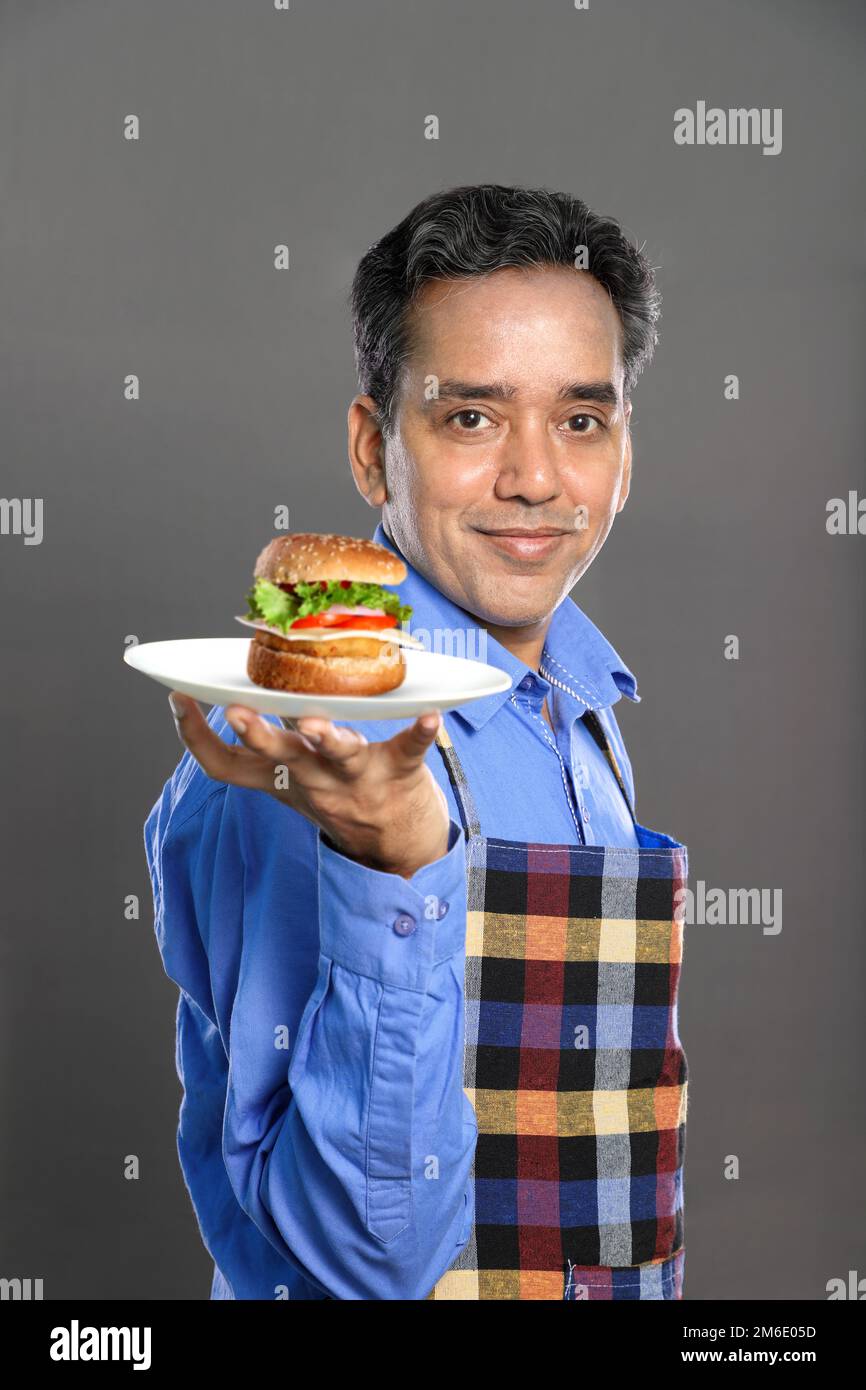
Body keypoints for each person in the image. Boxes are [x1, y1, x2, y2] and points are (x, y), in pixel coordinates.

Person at [145, 184, 689, 1301]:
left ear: (623, 450)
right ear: (370, 445)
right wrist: (386, 861)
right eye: (470, 417)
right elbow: (357, 1261)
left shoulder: (579, 707)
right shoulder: (294, 761)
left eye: (580, 419)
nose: (534, 477)